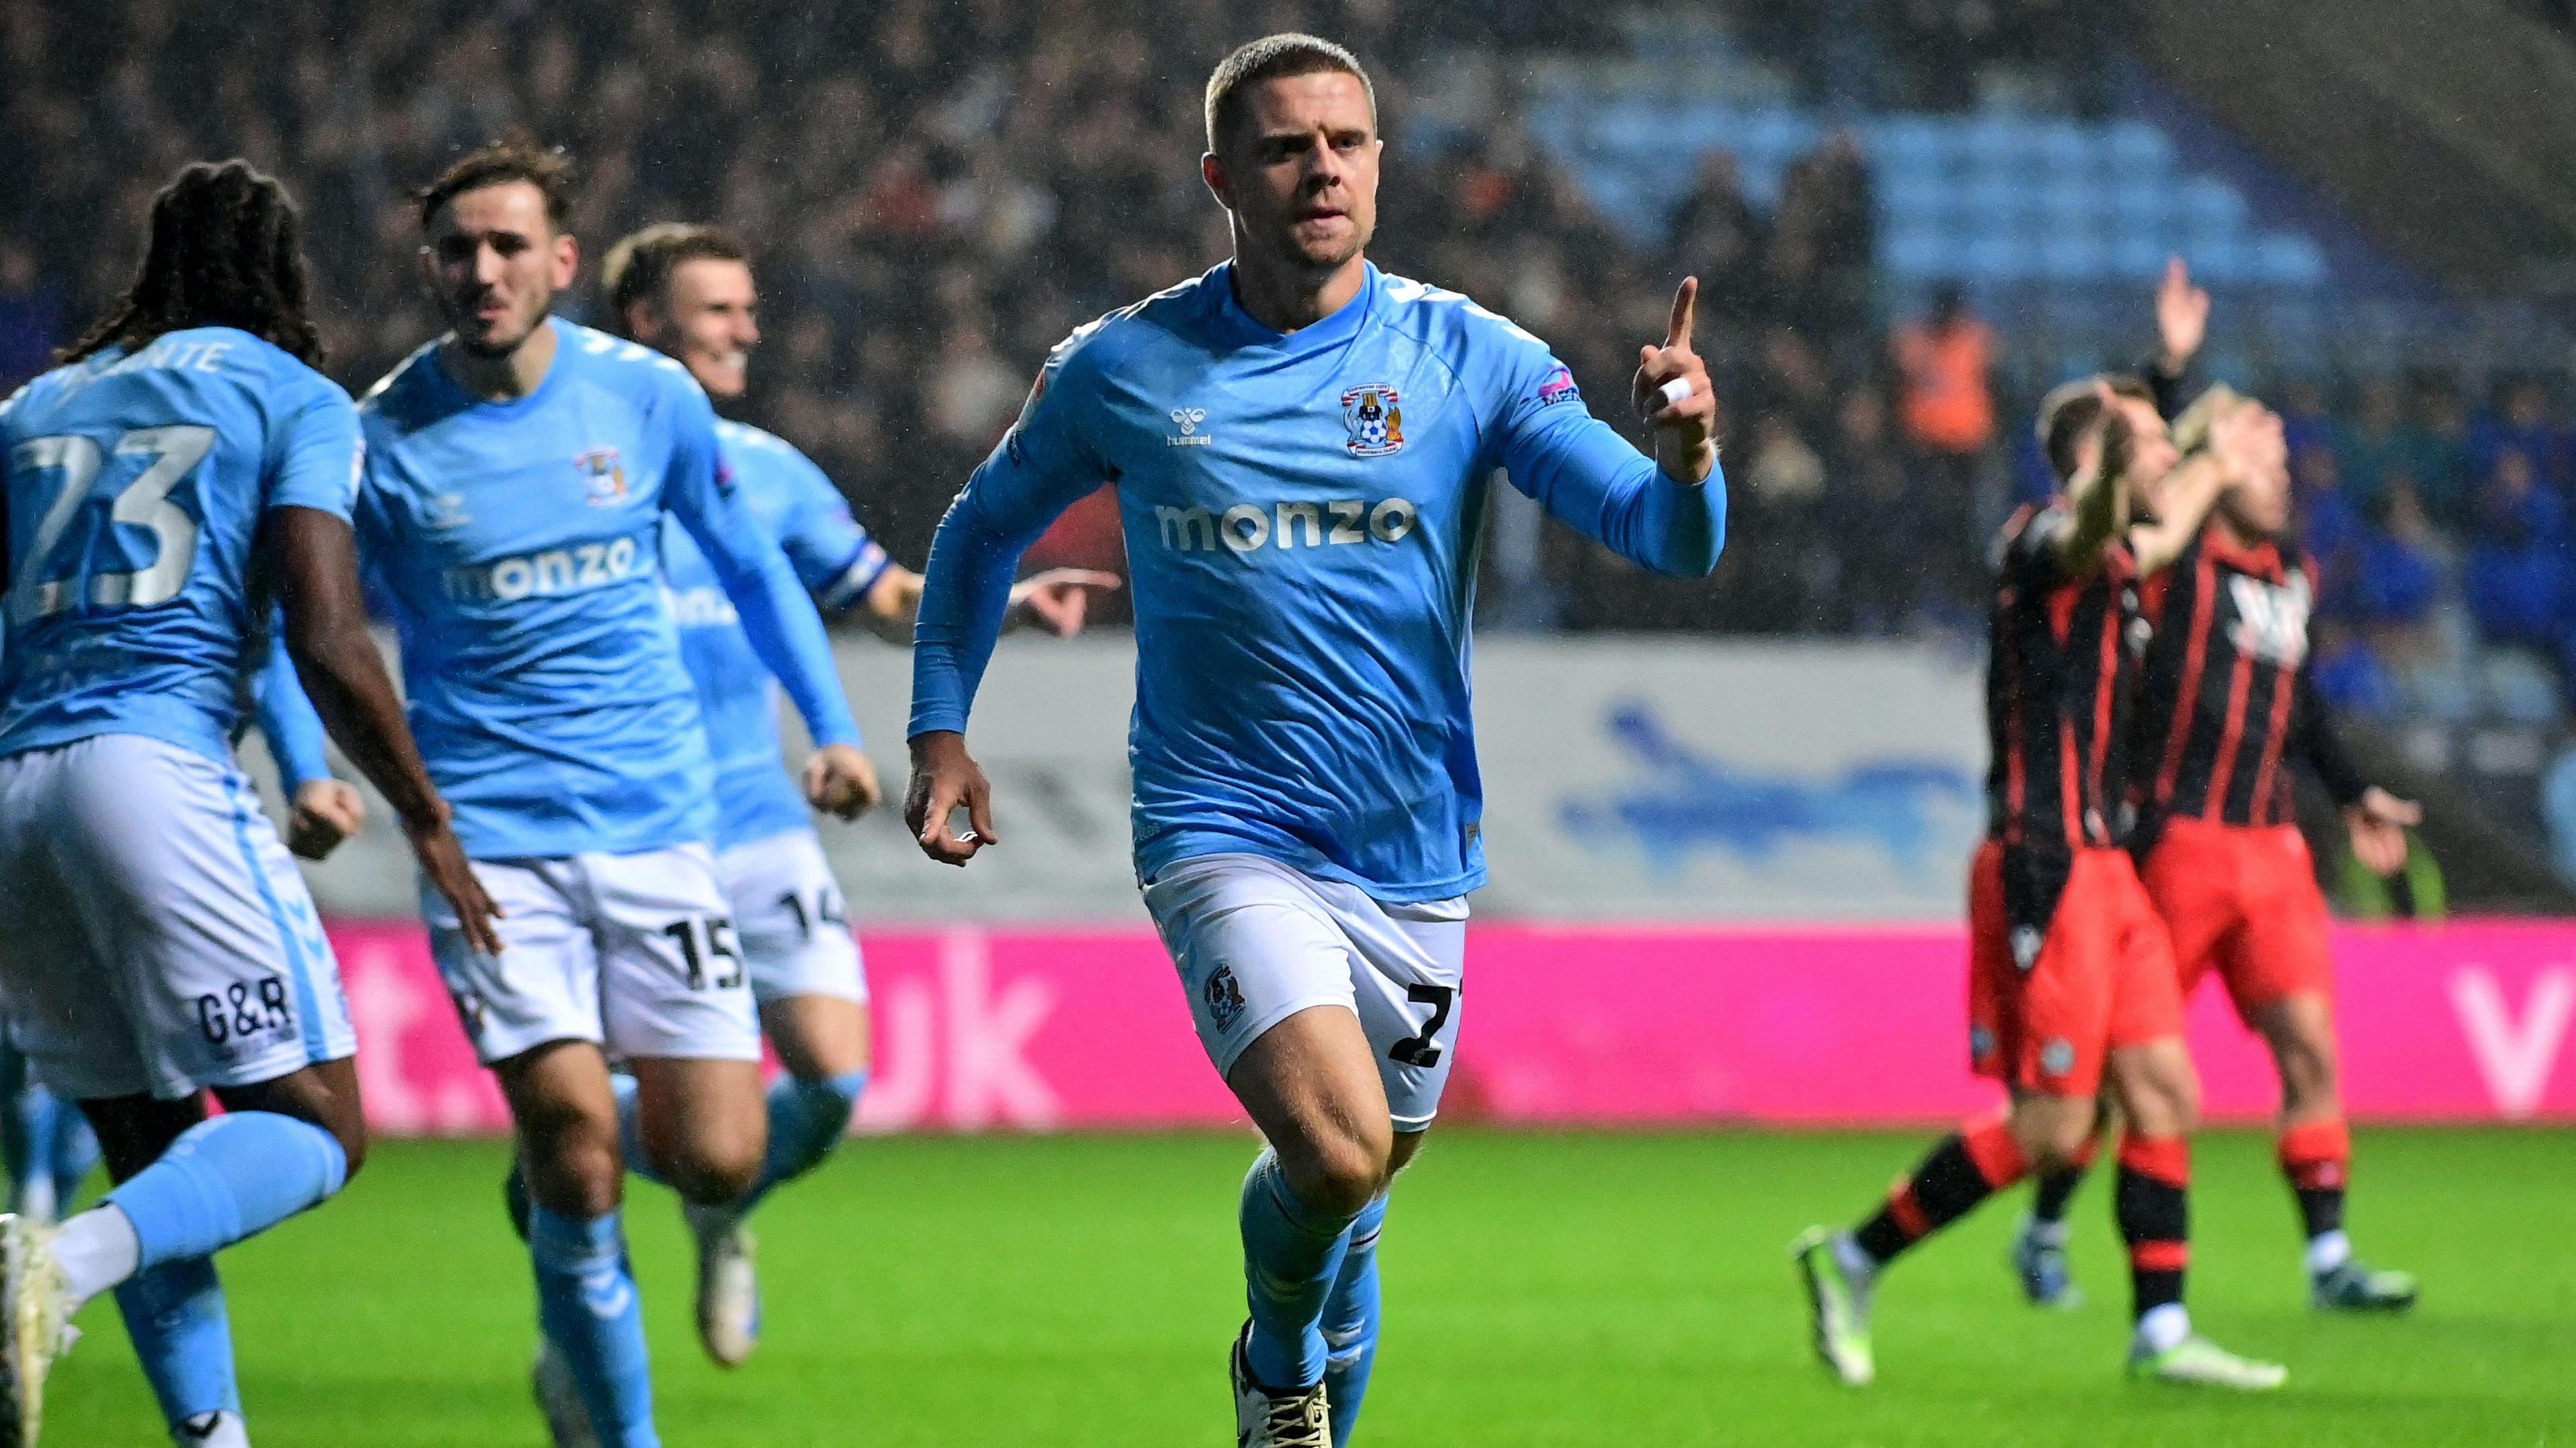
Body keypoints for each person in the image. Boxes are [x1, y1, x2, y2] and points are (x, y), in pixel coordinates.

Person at [902, 34, 1725, 1448]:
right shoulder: (1126, 368)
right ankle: (1270, 1364)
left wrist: (1691, 454)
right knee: (1337, 1151)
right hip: (1221, 825)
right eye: (1288, 147)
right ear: (1226, 177)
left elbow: (1665, 541)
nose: (1323, 169)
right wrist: (939, 733)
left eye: (1347, 142)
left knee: (1362, 1186)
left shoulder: (1470, 358)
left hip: (1411, 848)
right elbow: (979, 537)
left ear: (1382, 162)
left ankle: (1314, 1335)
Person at [353, 138, 871, 1448]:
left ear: (562, 262)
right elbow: (317, 631)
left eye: (509, 245)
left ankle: (585, 1223)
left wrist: (833, 725)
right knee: (578, 1145)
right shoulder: (381, 442)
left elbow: (753, 570)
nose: (484, 269)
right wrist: (330, 775)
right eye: (459, 249)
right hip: (494, 847)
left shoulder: (645, 401)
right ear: (429, 268)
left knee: (719, 1152)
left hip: (658, 829)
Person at [0, 159, 495, 1448]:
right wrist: (427, 818)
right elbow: (328, 635)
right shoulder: (294, 396)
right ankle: (48, 1264)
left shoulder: (35, 404)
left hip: (15, 789)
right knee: (320, 1130)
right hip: (150, 774)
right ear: (284, 278)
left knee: (153, 1156)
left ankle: (208, 1437)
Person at [582, 221, 1115, 1367]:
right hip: (619, 833)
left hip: (756, 821)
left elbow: (879, 594)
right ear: (644, 323)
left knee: (830, 1081)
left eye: (746, 307)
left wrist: (1005, 605)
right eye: (717, 310)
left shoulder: (765, 472)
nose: (746, 330)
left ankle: (714, 1212)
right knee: (616, 1105)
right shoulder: (573, 471)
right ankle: (570, 1202)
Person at [1794, 377, 2292, 1390]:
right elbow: (2102, 523)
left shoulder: (2119, 551)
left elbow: (2151, 532)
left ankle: (2160, 1332)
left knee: (2163, 1092)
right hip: (2043, 861)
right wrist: (2141, 464)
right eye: (2149, 447)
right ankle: (1854, 1258)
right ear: (2098, 462)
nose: (2167, 462)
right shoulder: (2042, 539)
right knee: (2054, 1128)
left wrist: (2206, 449)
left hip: (2110, 868)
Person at [2008, 285, 2423, 1316]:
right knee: (2127, 1070)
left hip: (2272, 844)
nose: (2279, 476)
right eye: (2261, 460)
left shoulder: (2288, 570)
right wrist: (2174, 372)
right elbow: (2146, 461)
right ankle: (2049, 1222)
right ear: (2212, 472)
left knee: (2311, 1050)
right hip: (2177, 840)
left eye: (2279, 463)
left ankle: (2329, 1261)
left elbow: (2303, 701)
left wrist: (2354, 789)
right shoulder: (2179, 558)